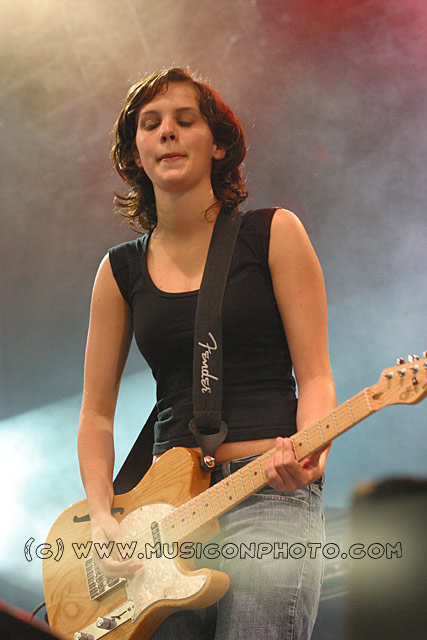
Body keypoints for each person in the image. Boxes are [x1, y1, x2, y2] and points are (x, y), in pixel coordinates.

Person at [77, 66, 336, 639]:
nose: (166, 131)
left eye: (184, 119)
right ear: (135, 153)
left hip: (268, 493)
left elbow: (316, 376)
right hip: (164, 517)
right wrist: (100, 518)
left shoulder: (273, 233)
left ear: (218, 144)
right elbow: (95, 415)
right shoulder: (119, 270)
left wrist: (311, 454)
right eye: (151, 124)